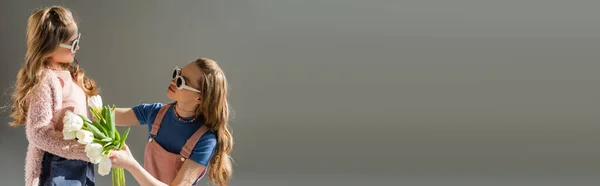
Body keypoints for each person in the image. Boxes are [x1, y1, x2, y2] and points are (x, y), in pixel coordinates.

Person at [9, 5, 99, 186]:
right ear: (50, 46)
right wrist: (83, 149)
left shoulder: (71, 76)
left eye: (78, 39)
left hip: (80, 162)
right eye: (73, 43)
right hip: (59, 165)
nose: (78, 46)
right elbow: (38, 132)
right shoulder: (46, 81)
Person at [111, 58, 233, 186]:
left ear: (199, 98)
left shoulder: (205, 140)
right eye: (177, 74)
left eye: (181, 81)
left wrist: (131, 165)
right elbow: (104, 116)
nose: (173, 81)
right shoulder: (155, 112)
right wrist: (88, 94)